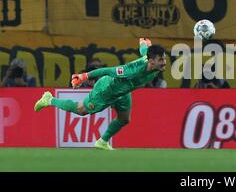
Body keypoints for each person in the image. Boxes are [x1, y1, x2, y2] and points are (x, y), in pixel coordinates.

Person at [34, 38, 166, 150]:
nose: (164, 62)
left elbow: (144, 53)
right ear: (152, 61)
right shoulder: (131, 70)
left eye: (164, 58)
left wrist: (143, 44)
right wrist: (83, 76)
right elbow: (107, 70)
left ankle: (102, 142)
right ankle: (49, 99)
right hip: (106, 89)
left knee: (124, 119)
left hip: (124, 92)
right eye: (161, 60)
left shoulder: (154, 65)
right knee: (81, 110)